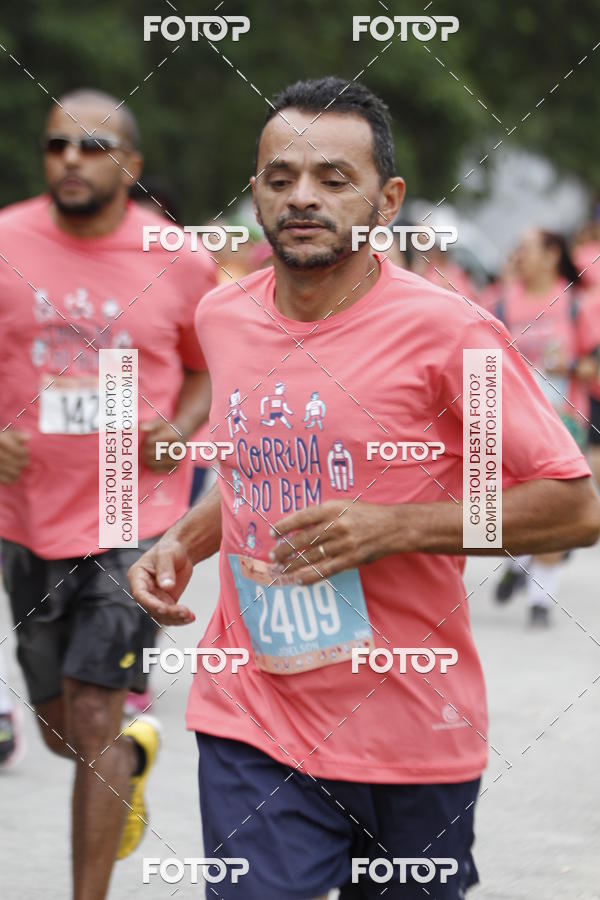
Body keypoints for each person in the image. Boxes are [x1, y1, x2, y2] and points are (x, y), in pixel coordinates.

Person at [129, 77, 600, 900]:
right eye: (279, 178)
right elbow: (255, 463)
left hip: (414, 730)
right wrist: (182, 540)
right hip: (251, 715)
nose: (301, 197)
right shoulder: (223, 316)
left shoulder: (451, 333)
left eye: (332, 179)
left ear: (387, 201)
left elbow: (570, 503)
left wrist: (393, 528)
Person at [0, 89, 215, 899]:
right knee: (64, 730)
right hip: (23, 516)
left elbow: (204, 365)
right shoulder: (5, 239)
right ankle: (132, 755)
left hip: (134, 513)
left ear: (130, 164)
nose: (71, 161)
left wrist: (183, 424)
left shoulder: (178, 258)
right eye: (57, 146)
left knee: (93, 714)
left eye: (92, 147)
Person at [492, 229, 598, 624]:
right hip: (514, 423)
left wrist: (566, 367)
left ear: (552, 255)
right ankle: (518, 562)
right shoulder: (502, 303)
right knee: (517, 503)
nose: (517, 255)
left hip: (564, 423)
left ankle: (541, 599)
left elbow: (593, 365)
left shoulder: (575, 305)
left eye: (526, 248)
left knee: (557, 502)